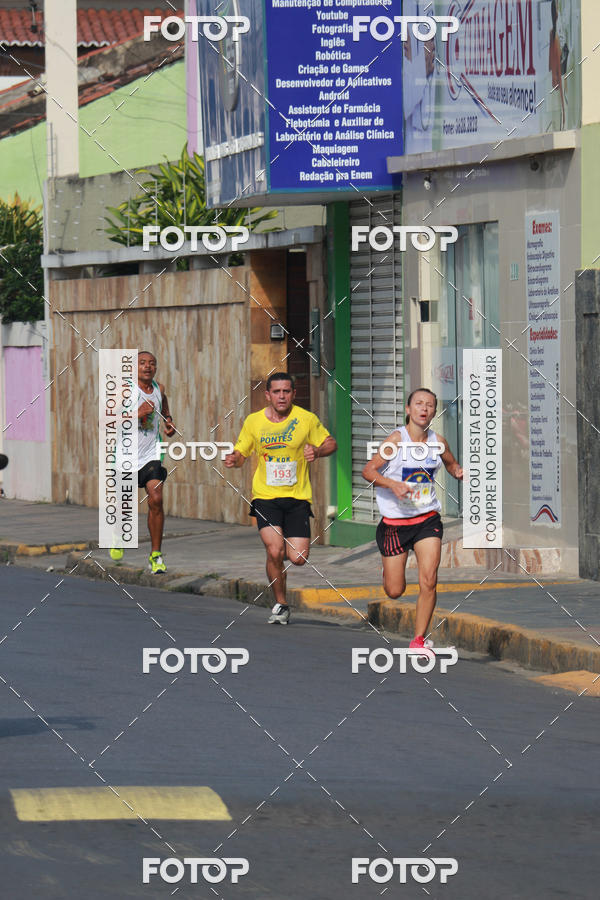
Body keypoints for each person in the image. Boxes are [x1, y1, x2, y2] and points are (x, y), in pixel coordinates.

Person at [224, 373, 337, 624]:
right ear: (268, 395)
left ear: (294, 394)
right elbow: (242, 451)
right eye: (276, 392)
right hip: (266, 497)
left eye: (287, 391)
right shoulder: (254, 422)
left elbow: (331, 443)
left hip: (297, 497)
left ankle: (275, 556)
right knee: (275, 549)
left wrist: (317, 451)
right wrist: (235, 460)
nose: (282, 396)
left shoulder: (306, 419)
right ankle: (281, 604)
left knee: (298, 558)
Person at [362, 388, 463, 650]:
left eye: (429, 405)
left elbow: (451, 464)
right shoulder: (396, 440)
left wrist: (459, 471)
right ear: (408, 410)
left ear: (433, 411)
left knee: (429, 579)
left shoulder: (437, 441)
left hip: (426, 519)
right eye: (419, 403)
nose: (424, 408)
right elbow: (368, 471)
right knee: (394, 591)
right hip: (395, 524)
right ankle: (389, 569)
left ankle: (418, 640)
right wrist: (393, 484)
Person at [136, 351, 176, 574]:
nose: (147, 367)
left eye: (151, 363)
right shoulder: (125, 391)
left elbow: (166, 412)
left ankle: (156, 554)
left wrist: (168, 423)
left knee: (156, 498)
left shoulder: (159, 389)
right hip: (124, 455)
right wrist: (136, 413)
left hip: (151, 454)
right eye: (142, 363)